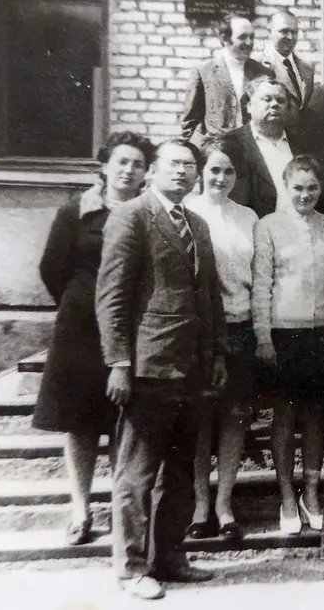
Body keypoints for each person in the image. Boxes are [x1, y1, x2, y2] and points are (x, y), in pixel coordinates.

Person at [96, 139, 227, 600]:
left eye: (189, 166)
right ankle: (132, 569)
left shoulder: (198, 224)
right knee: (136, 473)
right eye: (173, 164)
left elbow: (208, 298)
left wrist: (215, 356)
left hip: (191, 367)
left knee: (183, 471)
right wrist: (118, 362)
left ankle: (170, 558)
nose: (182, 172)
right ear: (152, 171)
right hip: (148, 367)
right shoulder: (131, 216)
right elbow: (111, 298)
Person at [33, 132, 154, 547]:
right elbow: (52, 267)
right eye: (122, 161)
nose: (129, 170)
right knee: (80, 422)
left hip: (130, 328)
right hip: (80, 329)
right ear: (104, 166)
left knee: (125, 420)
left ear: (145, 173)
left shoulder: (149, 213)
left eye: (137, 164)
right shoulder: (76, 212)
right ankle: (80, 509)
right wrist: (81, 301)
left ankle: (124, 513)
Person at [253, 156, 324, 535]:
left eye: (311, 188)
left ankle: (311, 492)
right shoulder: (269, 226)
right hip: (283, 333)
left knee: (316, 417)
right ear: (285, 187)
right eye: (297, 188)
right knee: (286, 416)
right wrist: (262, 337)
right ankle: (287, 495)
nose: (304, 195)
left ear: (320, 190)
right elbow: (261, 285)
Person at [184, 138, 261, 541]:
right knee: (201, 421)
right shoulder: (187, 211)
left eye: (229, 171)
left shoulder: (248, 217)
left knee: (235, 418)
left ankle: (224, 503)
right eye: (214, 170)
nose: (221, 178)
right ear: (201, 172)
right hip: (200, 333)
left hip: (242, 326)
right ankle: (200, 503)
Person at [221, 77, 320, 217]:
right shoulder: (232, 144)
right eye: (267, 99)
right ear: (249, 106)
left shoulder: (301, 144)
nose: (274, 104)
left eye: (280, 100)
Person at [181, 13, 274, 145]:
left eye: (252, 37)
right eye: (242, 37)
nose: (249, 42)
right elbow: (189, 123)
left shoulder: (262, 72)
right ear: (225, 38)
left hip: (253, 149)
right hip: (218, 150)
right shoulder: (204, 71)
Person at [257, 10, 315, 136]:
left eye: (294, 32)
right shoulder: (257, 65)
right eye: (284, 31)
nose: (290, 37)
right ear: (269, 32)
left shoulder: (307, 69)